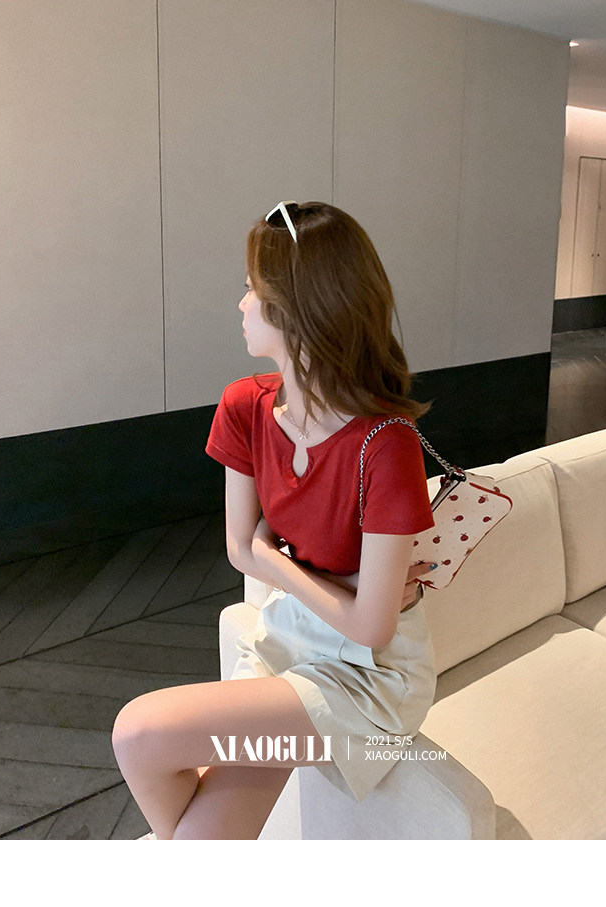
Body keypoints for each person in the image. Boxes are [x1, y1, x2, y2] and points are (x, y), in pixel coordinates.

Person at [111, 201, 438, 839]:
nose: (240, 305)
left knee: (139, 732)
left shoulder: (385, 442)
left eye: (252, 291)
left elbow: (371, 628)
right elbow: (238, 548)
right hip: (287, 642)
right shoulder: (245, 407)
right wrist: (321, 582)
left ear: (298, 309)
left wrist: (273, 560)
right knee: (204, 839)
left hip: (367, 681)